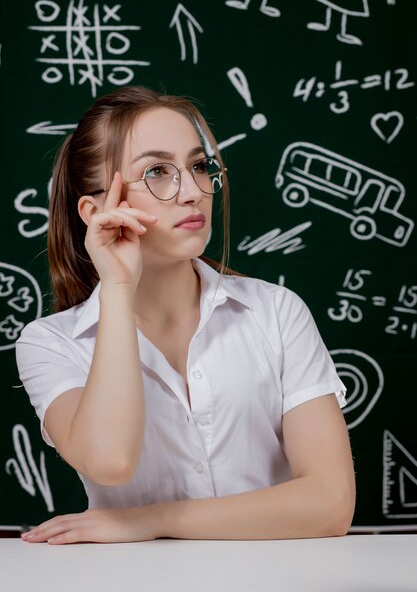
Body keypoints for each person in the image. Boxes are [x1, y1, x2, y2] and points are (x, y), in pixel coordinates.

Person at [16, 86, 355, 545]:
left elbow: (331, 504)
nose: (194, 191)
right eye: (157, 172)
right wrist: (117, 286)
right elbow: (110, 460)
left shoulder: (275, 312)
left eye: (199, 166)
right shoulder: (50, 343)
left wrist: (150, 521)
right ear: (96, 210)